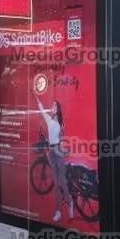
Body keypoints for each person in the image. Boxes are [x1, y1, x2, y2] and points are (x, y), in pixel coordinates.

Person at [36, 95, 73, 223]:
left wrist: (64, 151)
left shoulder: (61, 123)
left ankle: (69, 203)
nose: (52, 107)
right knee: (56, 185)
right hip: (51, 152)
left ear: (58, 109)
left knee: (62, 181)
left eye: (55, 105)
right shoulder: (49, 120)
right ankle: (58, 211)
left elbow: (62, 140)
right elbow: (41, 109)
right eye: (52, 106)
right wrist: (36, 97)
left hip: (58, 150)